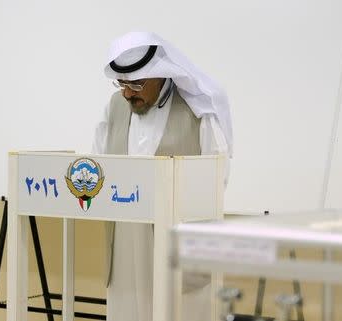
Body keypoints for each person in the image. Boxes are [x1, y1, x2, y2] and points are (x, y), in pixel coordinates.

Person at [91, 31, 233, 321]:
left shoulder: (198, 110)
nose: (128, 93)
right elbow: (98, 162)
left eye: (137, 83)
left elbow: (217, 176)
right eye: (122, 84)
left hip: (177, 238)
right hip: (124, 238)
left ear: (161, 74)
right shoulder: (114, 107)